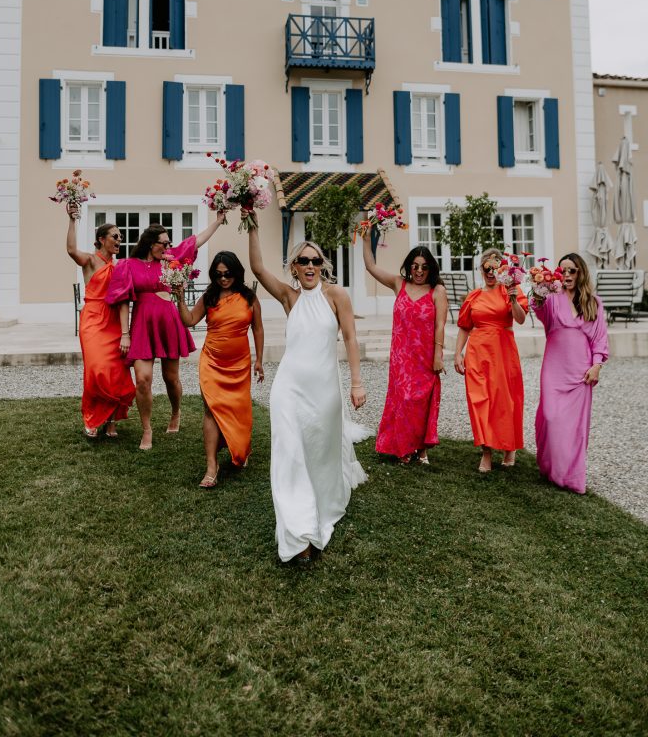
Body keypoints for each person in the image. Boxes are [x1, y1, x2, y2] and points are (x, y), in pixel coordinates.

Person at [245, 210, 367, 565]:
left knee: (319, 457)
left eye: (315, 260)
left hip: (325, 393)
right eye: (302, 261)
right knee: (288, 455)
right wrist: (251, 220)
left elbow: (351, 338)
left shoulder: (337, 296)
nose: (309, 265)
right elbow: (257, 268)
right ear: (294, 267)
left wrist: (357, 383)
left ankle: (320, 511)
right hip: (289, 388)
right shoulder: (289, 297)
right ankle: (300, 535)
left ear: (322, 264)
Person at [106, 213, 225, 450]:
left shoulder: (171, 261)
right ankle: (147, 429)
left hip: (169, 322)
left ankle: (176, 412)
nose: (169, 246)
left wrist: (218, 221)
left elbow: (195, 241)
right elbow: (121, 301)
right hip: (142, 325)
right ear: (152, 243)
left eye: (170, 243)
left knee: (170, 378)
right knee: (142, 379)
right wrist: (125, 333)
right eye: (165, 243)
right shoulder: (128, 265)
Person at [175, 251, 264, 489]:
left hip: (240, 363)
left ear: (236, 273)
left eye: (228, 274)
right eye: (218, 274)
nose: (223, 279)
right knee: (211, 410)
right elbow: (189, 321)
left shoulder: (249, 297)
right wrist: (180, 298)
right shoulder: (210, 296)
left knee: (239, 410)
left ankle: (238, 447)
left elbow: (258, 329)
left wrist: (259, 360)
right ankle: (211, 467)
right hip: (212, 361)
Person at [362, 233, 447, 465]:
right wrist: (365, 237)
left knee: (421, 402)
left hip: (425, 356)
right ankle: (404, 447)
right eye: (415, 266)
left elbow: (440, 324)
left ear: (431, 269)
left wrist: (438, 355)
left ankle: (421, 449)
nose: (419, 271)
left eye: (424, 267)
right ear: (409, 267)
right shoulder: (399, 283)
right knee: (404, 400)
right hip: (401, 355)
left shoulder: (437, 291)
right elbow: (370, 266)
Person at [534, 252, 609, 494]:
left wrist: (597, 365)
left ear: (580, 273)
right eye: (562, 270)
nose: (566, 275)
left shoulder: (594, 302)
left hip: (581, 371)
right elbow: (539, 310)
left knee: (575, 427)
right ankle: (551, 467)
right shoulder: (552, 298)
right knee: (551, 417)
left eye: (571, 271)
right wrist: (539, 290)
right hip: (554, 368)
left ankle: (570, 477)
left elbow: (600, 338)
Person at [454, 248, 528, 472]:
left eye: (495, 267)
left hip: (502, 352)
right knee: (479, 400)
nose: (490, 271)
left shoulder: (509, 291)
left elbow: (521, 319)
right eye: (486, 267)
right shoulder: (474, 296)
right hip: (477, 353)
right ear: (480, 269)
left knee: (504, 400)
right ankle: (486, 451)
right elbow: (465, 327)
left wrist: (514, 298)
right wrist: (458, 353)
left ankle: (509, 447)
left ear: (502, 269)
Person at [66, 207, 135, 438]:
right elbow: (70, 250)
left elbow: (124, 300)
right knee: (96, 370)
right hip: (94, 319)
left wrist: (126, 332)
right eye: (115, 236)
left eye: (120, 237)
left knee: (116, 371)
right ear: (101, 239)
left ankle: (112, 421)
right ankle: (92, 418)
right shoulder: (90, 260)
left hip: (114, 321)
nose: (119, 240)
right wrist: (72, 220)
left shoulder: (120, 267)